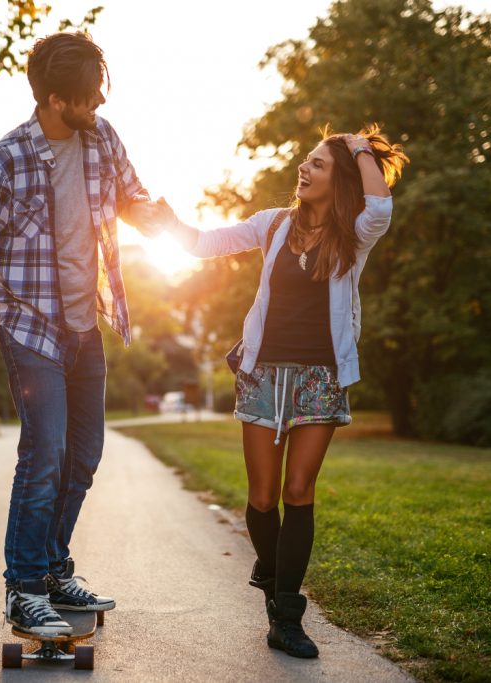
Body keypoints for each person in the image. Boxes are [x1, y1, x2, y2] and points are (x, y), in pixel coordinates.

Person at [0, 32, 166, 637]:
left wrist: (181, 229)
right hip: (29, 328)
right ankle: (24, 587)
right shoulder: (5, 159)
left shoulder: (101, 140)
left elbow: (132, 200)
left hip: (85, 327)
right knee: (45, 455)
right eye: (88, 97)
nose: (98, 106)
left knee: (84, 455)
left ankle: (54, 567)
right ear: (55, 99)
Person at [156, 126, 408, 657]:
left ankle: (286, 616)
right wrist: (168, 225)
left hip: (320, 378)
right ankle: (272, 575)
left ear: (336, 179)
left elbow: (380, 209)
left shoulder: (352, 235)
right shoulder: (272, 226)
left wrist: (358, 147)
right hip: (263, 374)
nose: (304, 168)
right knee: (263, 496)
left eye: (317, 164)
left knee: (298, 492)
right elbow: (206, 243)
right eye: (306, 159)